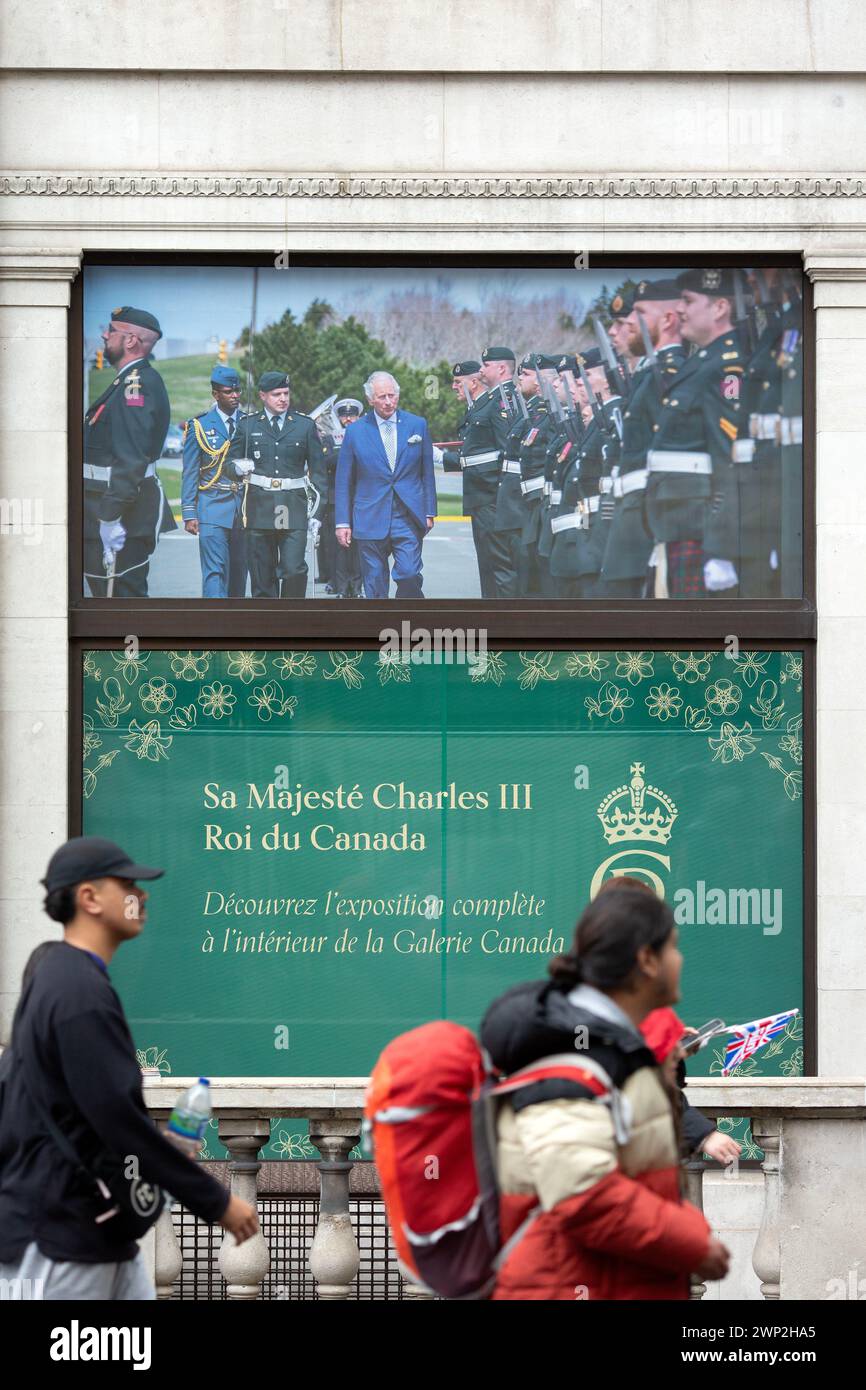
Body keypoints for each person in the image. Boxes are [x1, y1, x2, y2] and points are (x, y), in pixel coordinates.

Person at [0, 837, 257, 1300]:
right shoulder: (77, 992)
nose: (143, 895)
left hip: (98, 1230)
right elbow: (118, 1120)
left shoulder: (60, 976)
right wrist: (216, 1203)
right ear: (89, 898)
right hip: (62, 1236)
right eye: (128, 884)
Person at [480, 885, 729, 1300]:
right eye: (673, 946)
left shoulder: (611, 1044)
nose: (680, 959)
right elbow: (582, 1193)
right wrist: (689, 1239)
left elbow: (628, 1172)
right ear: (646, 960)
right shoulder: (573, 1048)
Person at [644, 269, 744, 597]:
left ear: (719, 308)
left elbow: (730, 458)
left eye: (688, 300)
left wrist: (721, 546)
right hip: (677, 523)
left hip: (701, 530)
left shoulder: (725, 365)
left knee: (696, 641)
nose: (681, 309)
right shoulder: (699, 363)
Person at [599, 279, 686, 597]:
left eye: (638, 313)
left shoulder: (669, 373)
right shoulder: (650, 375)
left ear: (668, 319)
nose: (619, 329)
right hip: (631, 521)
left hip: (646, 523)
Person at [83, 306, 175, 598]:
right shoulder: (123, 381)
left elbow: (131, 458)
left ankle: (130, 645)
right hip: (106, 506)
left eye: (111, 330)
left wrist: (110, 519)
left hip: (121, 514)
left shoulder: (136, 384)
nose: (104, 334)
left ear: (131, 340)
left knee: (121, 602)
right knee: (109, 598)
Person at [226, 370, 328, 598]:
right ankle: (267, 628)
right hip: (259, 508)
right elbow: (228, 465)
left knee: (293, 570)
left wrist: (318, 514)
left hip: (294, 508)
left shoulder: (304, 425)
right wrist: (236, 468)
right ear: (262, 396)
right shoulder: (248, 425)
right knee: (262, 577)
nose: (283, 399)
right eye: (276, 394)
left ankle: (292, 623)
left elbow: (319, 474)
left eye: (286, 393)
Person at [335, 371, 436, 599]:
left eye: (392, 395)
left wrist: (430, 510)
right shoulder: (355, 431)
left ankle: (407, 624)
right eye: (382, 397)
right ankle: (380, 629)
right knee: (374, 583)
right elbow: (343, 481)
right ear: (370, 399)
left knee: (409, 574)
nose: (389, 402)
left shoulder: (417, 425)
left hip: (407, 515)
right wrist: (342, 522)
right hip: (369, 515)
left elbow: (427, 473)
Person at [443, 347, 514, 598]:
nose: (453, 387)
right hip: (479, 497)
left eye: (457, 382)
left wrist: (443, 459)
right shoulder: (477, 408)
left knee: (499, 565)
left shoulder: (497, 402)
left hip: (491, 496)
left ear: (473, 383)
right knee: (486, 563)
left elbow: (505, 452)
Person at [181, 364, 247, 598]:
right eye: (228, 392)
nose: (235, 395)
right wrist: (189, 513)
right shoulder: (199, 426)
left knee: (240, 572)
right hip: (212, 506)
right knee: (215, 572)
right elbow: (189, 472)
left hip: (245, 509)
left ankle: (235, 627)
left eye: (237, 390)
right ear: (215, 395)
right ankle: (214, 625)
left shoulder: (249, 423)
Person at [330, 399, 364, 598]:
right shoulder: (330, 439)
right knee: (340, 547)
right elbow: (324, 461)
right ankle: (341, 587)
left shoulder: (363, 436)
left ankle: (358, 587)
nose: (348, 419)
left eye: (352, 415)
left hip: (360, 497)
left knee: (359, 545)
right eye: (344, 415)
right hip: (337, 498)